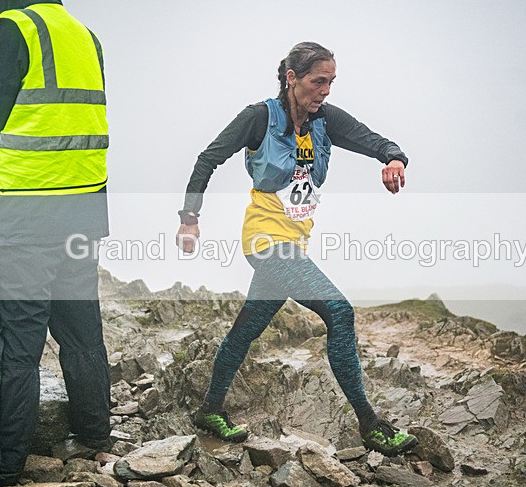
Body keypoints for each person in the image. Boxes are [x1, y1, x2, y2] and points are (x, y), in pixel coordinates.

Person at [177, 42, 418, 457]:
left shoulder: (325, 120)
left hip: (293, 242)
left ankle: (210, 410)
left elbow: (372, 139)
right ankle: (372, 425)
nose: (324, 91)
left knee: (246, 330)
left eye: (330, 82)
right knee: (339, 311)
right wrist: (190, 216)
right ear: (292, 78)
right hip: (267, 241)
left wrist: (394, 158)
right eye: (317, 81)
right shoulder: (259, 117)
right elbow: (208, 158)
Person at [0, 0, 111, 484]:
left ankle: (5, 457)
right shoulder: (85, 35)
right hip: (83, 206)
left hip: (24, 213)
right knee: (81, 332)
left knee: (14, 340)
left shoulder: (12, 30)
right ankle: (94, 433)